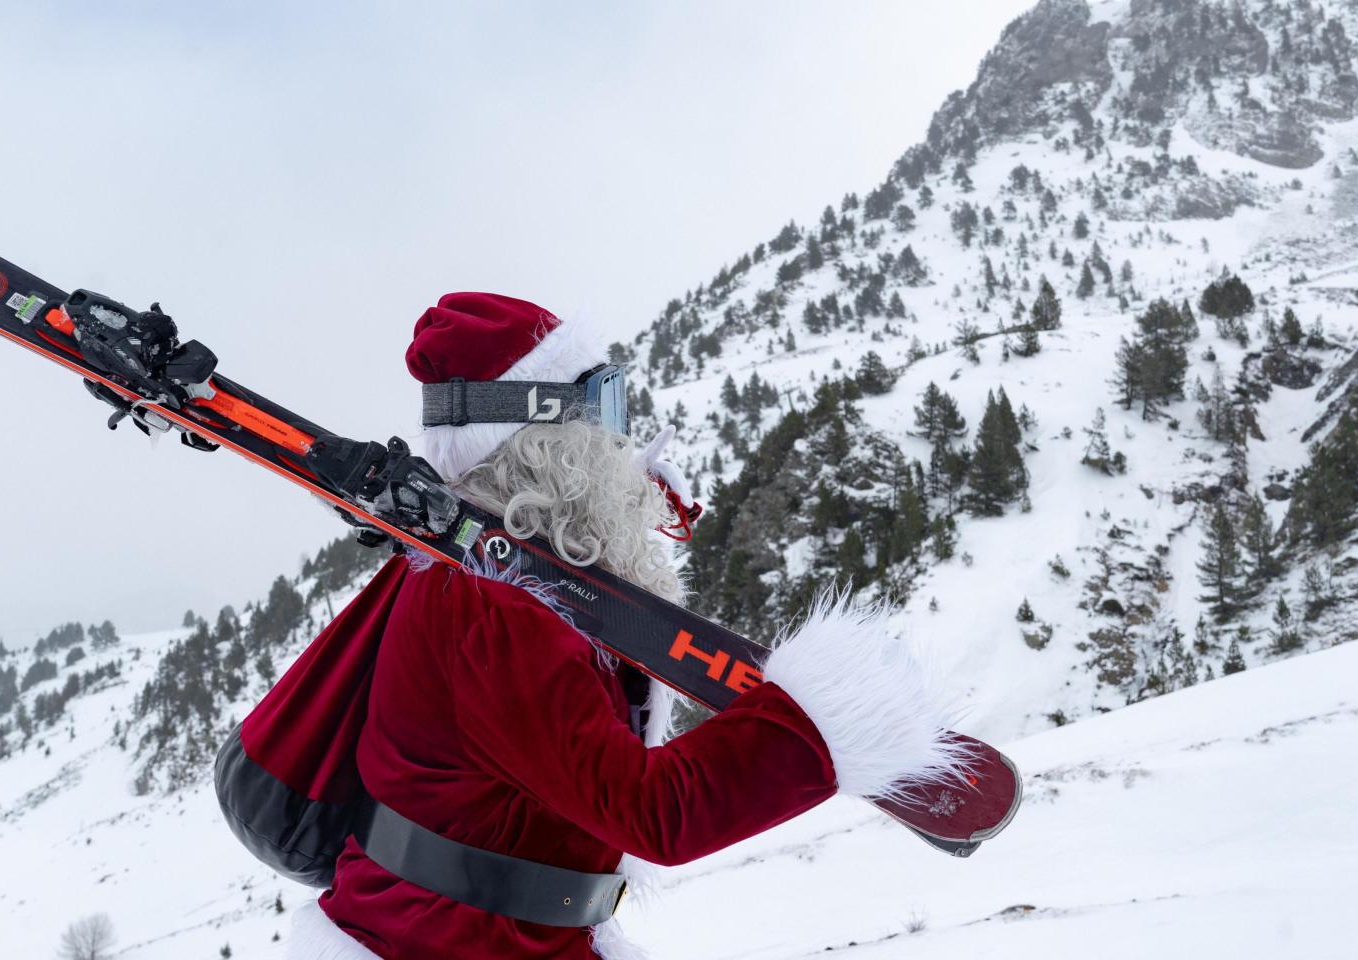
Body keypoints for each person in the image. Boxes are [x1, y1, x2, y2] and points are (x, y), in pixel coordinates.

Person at [290, 293, 965, 959]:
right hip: (448, 944)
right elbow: (654, 812)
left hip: (488, 934)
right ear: (545, 441)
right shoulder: (496, 615)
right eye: (603, 407)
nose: (620, 438)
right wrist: (817, 728)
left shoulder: (492, 570)